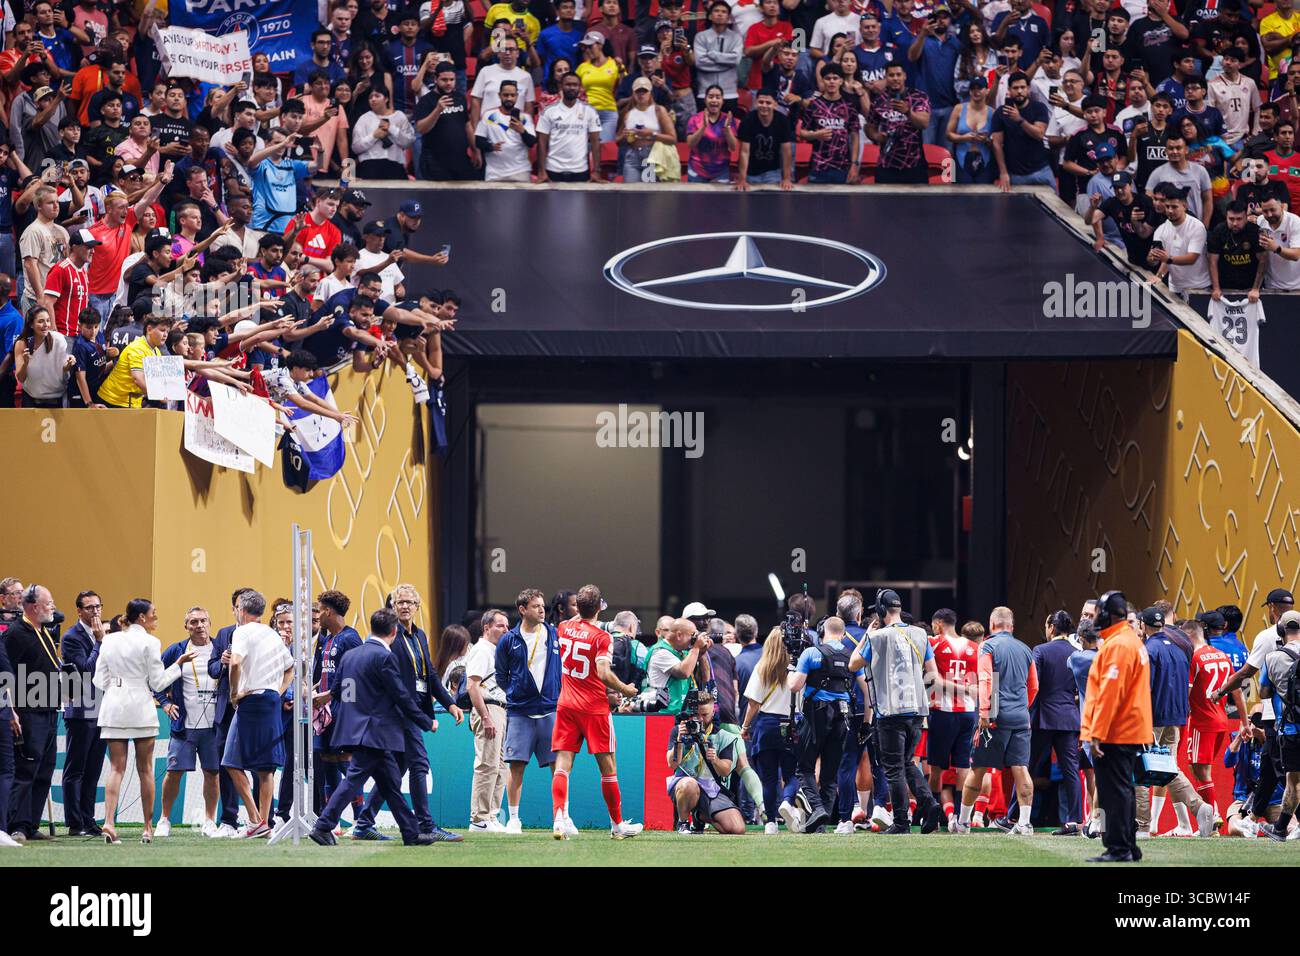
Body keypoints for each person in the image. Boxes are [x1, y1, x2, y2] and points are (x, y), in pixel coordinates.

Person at [310, 609, 440, 847]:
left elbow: (340, 691)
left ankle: (411, 833)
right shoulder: (384, 657)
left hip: (355, 729)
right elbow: (400, 695)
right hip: (375, 732)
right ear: (394, 631)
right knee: (353, 781)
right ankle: (323, 825)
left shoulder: (351, 656)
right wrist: (426, 721)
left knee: (391, 784)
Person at [94, 597, 192, 844]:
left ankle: (108, 822)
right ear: (141, 617)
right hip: (140, 706)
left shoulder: (109, 640)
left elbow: (98, 680)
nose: (156, 617)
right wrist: (178, 665)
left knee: (116, 768)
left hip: (114, 706)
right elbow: (158, 683)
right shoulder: (151, 641)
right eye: (154, 614)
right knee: (145, 769)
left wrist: (117, 688)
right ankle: (147, 828)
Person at [549, 584, 643, 839]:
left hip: (567, 704)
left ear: (577, 607)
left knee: (563, 764)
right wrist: (626, 689)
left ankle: (559, 819)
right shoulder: (602, 637)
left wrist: (583, 610)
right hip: (593, 707)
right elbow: (602, 672)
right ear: (600, 608)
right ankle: (617, 825)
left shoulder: (564, 627)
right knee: (608, 767)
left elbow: (578, 619)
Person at [849, 591, 941, 834]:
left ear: (881, 610)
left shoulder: (878, 637)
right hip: (916, 710)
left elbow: (853, 663)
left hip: (890, 711)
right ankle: (929, 803)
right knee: (906, 762)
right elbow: (933, 675)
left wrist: (868, 633)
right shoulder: (921, 634)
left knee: (893, 768)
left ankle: (901, 822)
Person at [1081, 591, 1153, 862]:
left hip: (1116, 730)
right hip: (1126, 727)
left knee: (1114, 790)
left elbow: (1111, 693)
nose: (1095, 617)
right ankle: (1127, 846)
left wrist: (1097, 732)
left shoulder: (1118, 645)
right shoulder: (1126, 641)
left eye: (1098, 612)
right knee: (1122, 789)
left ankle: (1119, 848)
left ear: (1108, 614)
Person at [954, 606, 1037, 836]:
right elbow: (1034, 686)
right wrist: (1022, 707)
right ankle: (1025, 823)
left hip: (994, 718)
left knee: (978, 768)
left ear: (991, 626)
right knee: (1021, 768)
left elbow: (986, 679)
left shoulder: (987, 646)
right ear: (1012, 626)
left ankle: (963, 822)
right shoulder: (1025, 649)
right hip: (1020, 717)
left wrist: (984, 713)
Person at [221, 590, 294, 839]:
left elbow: (236, 662)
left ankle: (256, 820)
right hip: (271, 700)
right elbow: (290, 667)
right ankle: (262, 823)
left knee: (231, 762)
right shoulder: (273, 635)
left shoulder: (241, 631)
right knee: (266, 768)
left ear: (240, 608)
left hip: (251, 700)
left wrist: (234, 693)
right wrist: (278, 691)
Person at [496, 587, 562, 835]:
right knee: (516, 766)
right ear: (523, 610)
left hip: (549, 709)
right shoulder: (508, 640)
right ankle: (513, 819)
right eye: (536, 606)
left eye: (543, 605)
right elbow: (502, 675)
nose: (542, 609)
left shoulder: (553, 634)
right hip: (520, 712)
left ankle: (561, 817)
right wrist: (518, 691)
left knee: (558, 766)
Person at [4, 585, 65, 843]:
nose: (52, 607)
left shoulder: (43, 631)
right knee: (26, 769)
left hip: (49, 709)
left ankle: (30, 824)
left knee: (44, 769)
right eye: (48, 603)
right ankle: (15, 825)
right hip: (28, 711)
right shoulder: (17, 633)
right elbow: (5, 673)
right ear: (34, 606)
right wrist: (11, 710)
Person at [155, 606, 221, 837]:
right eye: (193, 622)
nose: (199, 625)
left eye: (203, 620)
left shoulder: (220, 649)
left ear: (209, 623)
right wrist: (164, 702)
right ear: (186, 627)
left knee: (212, 773)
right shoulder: (176, 651)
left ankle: (210, 820)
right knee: (174, 773)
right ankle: (164, 819)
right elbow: (154, 680)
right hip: (184, 726)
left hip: (213, 726)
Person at [1184, 617, 1246, 830]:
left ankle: (1211, 819)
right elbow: (1236, 689)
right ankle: (1212, 816)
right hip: (1222, 720)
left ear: (1190, 635)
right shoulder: (1221, 655)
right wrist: (1244, 722)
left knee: (1200, 771)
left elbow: (1188, 692)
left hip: (1203, 721)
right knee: (1200, 770)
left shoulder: (1195, 658)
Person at [312, 589, 364, 825]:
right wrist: (314, 689)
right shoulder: (328, 639)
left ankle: (361, 820)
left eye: (319, 610)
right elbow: (329, 675)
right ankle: (330, 821)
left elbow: (356, 679)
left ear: (329, 611)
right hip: (325, 713)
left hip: (343, 712)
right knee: (327, 761)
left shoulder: (350, 638)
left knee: (346, 763)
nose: (317, 615)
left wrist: (330, 696)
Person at [1030, 610, 1084, 835]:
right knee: (1071, 771)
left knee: (1027, 768)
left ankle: (1014, 814)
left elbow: (1034, 684)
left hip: (1044, 718)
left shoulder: (1040, 650)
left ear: (1052, 627)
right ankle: (1075, 820)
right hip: (1070, 718)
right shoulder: (1078, 653)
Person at [740, 628, 797, 834]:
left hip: (766, 725)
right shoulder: (796, 666)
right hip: (791, 724)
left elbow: (753, 703)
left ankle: (770, 822)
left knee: (769, 778)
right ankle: (788, 802)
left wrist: (745, 727)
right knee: (792, 774)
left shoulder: (761, 667)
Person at [926, 607, 978, 829]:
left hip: (942, 711)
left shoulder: (933, 643)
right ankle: (959, 816)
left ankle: (935, 816)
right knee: (963, 766)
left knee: (936, 767)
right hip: (968, 713)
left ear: (938, 624)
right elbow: (978, 685)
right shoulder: (975, 647)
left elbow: (934, 681)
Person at [667, 689, 747, 835]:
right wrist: (679, 741)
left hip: (712, 789)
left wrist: (715, 760)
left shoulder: (724, 736)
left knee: (737, 829)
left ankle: (700, 815)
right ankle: (683, 822)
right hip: (684, 784)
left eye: (705, 715)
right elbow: (672, 764)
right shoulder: (679, 730)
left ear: (713, 713)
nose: (700, 719)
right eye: (696, 715)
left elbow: (726, 770)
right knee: (689, 784)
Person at [59, 589, 105, 837]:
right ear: (79, 611)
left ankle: (89, 819)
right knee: (76, 769)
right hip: (80, 710)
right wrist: (99, 642)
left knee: (93, 770)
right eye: (90, 607)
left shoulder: (105, 635)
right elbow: (87, 669)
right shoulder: (71, 637)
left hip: (102, 710)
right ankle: (75, 823)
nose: (95, 611)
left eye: (98, 606)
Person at [1257, 610, 1300, 841]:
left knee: (1293, 782)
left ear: (1282, 631)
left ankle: (1281, 829)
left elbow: (1264, 692)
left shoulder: (1272, 658)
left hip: (1291, 729)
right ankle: (1281, 828)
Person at [466, 608, 510, 832]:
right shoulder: (482, 650)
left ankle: (491, 816)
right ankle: (479, 818)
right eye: (500, 625)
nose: (506, 629)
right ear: (486, 628)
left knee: (500, 766)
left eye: (507, 626)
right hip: (489, 708)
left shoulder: (494, 651)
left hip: (501, 709)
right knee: (487, 764)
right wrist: (485, 717)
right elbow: (472, 685)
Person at [866, 61, 931, 183]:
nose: (895, 78)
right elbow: (869, 127)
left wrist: (908, 113)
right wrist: (876, 136)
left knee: (918, 202)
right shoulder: (878, 100)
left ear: (905, 76)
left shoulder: (919, 97)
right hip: (886, 164)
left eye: (898, 74)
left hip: (914, 164)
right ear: (885, 78)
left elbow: (924, 123)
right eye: (891, 75)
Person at [537, 72, 603, 183]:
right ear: (561, 86)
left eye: (575, 85)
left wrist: (596, 171)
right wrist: (541, 171)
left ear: (580, 87)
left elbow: (595, 142)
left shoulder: (590, 111)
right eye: (568, 84)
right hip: (553, 170)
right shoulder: (549, 111)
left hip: (580, 171)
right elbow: (541, 142)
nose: (572, 87)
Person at [991, 71, 1053, 190]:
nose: (1019, 91)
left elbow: (1039, 134)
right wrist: (1003, 172)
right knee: (1015, 208)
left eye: (1022, 87)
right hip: (1015, 174)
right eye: (1015, 88)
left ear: (1028, 88)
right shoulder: (1000, 112)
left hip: (1041, 170)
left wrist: (1019, 119)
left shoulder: (1039, 108)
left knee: (1053, 207)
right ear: (1009, 90)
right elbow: (997, 144)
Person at [1148, 182, 1210, 295]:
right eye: (1167, 206)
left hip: (1198, 286)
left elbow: (1191, 258)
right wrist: (1159, 274)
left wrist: (1168, 259)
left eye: (1174, 206)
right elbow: (1165, 254)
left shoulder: (1195, 225)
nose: (1158, 204)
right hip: (1176, 285)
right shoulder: (1162, 225)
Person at [475, 79, 538, 182]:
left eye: (512, 95)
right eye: (506, 95)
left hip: (520, 171)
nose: (509, 98)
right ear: (500, 95)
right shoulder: (488, 115)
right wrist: (491, 147)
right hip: (494, 173)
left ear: (517, 96)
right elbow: (478, 141)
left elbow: (531, 143)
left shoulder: (525, 118)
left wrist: (522, 131)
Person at [736, 88, 794, 189]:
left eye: (768, 103)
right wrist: (742, 179)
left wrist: (786, 178)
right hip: (750, 172)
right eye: (761, 102)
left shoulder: (783, 121)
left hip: (773, 172)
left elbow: (786, 152)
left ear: (775, 104)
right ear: (755, 103)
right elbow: (744, 152)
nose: (764, 105)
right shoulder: (747, 120)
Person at [1208, 200, 1266, 301]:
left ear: (1246, 218)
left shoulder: (1255, 231)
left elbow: (1263, 260)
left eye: (1239, 219)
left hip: (1249, 286)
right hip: (1225, 286)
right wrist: (1216, 288)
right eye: (1231, 219)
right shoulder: (1218, 231)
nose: (1235, 223)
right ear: (1226, 217)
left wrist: (1255, 288)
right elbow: (1212, 261)